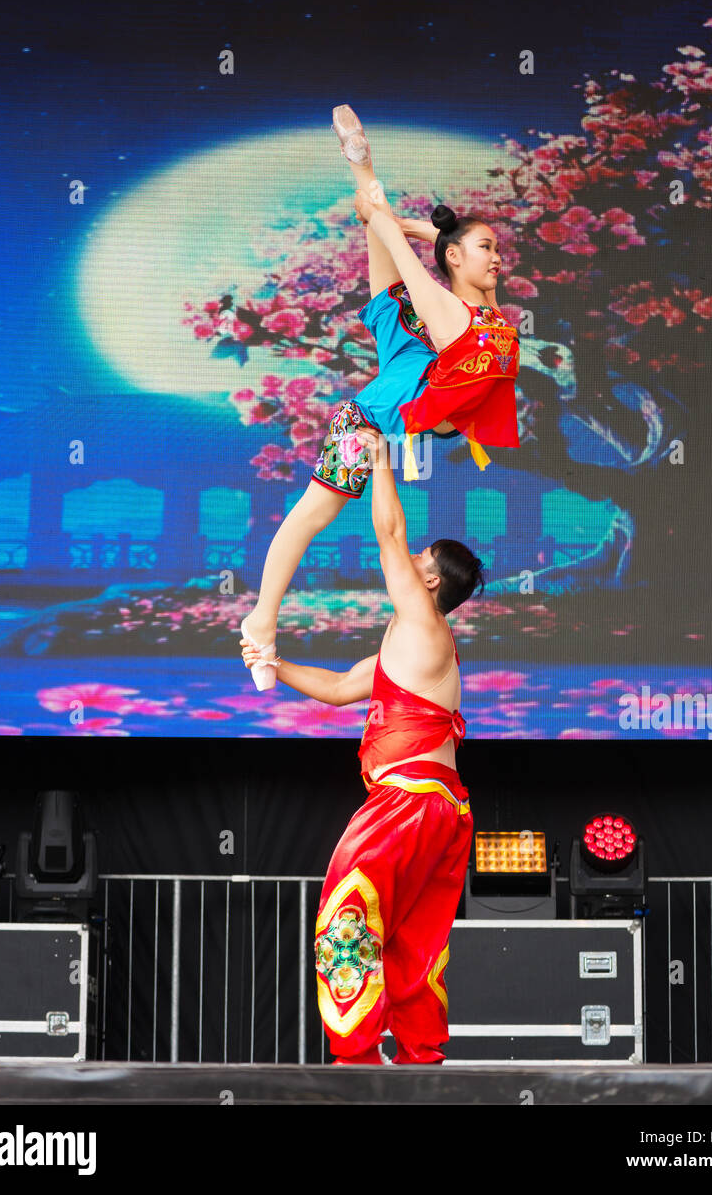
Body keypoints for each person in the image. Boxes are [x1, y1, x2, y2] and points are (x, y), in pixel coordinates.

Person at [240, 104, 520, 688]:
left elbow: (415, 246)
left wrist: (414, 228)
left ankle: (363, 165)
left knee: (378, 224)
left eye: (498, 250)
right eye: (487, 247)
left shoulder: (483, 319)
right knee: (307, 518)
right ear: (457, 259)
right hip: (380, 412)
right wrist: (384, 209)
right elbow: (410, 257)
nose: (497, 258)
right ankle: (261, 626)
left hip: (416, 382)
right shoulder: (454, 313)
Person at [240, 423, 483, 1064]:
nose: (412, 563)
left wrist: (379, 459)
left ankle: (354, 1058)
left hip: (407, 802)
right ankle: (421, 1058)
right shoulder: (405, 646)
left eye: (423, 561)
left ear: (432, 583)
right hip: (441, 811)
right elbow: (341, 688)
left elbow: (389, 536)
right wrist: (273, 658)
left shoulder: (424, 626)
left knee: (345, 912)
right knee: (410, 938)